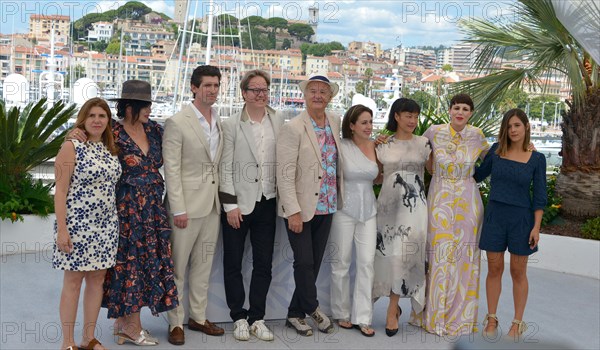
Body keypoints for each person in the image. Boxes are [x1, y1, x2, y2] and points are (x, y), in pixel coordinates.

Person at [102, 80, 178, 346]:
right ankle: (133, 327)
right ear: (128, 106)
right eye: (144, 105)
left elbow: (179, 150)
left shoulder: (155, 130)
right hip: (126, 207)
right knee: (129, 265)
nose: (149, 109)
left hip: (153, 208)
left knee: (146, 265)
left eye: (149, 104)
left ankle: (123, 324)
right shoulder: (112, 131)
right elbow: (83, 136)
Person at [412, 93, 490, 336]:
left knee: (465, 259)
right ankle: (432, 316)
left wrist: (526, 148)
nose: (460, 112)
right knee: (437, 256)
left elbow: (497, 158)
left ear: (471, 113)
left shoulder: (477, 135)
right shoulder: (434, 132)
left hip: (468, 203)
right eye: (456, 107)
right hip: (439, 200)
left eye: (466, 109)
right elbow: (413, 150)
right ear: (449, 109)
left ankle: (462, 318)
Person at [218, 70, 283, 341]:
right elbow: (225, 167)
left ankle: (257, 316)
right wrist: (230, 205)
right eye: (255, 90)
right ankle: (238, 316)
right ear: (244, 93)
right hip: (239, 204)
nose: (260, 94)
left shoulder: (278, 121)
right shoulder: (231, 124)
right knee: (233, 262)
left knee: (263, 263)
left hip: (268, 201)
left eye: (264, 89)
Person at [276, 75, 343, 336]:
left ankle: (295, 314)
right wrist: (292, 210)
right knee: (303, 262)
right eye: (313, 91)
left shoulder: (334, 122)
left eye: (323, 92)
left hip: (327, 204)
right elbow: (284, 172)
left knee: (313, 263)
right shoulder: (293, 127)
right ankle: (314, 309)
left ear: (330, 97)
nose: (318, 95)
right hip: (300, 207)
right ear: (305, 95)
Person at [163, 65, 224, 345]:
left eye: (216, 85)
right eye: (207, 85)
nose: (212, 90)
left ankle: (198, 317)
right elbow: (172, 170)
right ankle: (175, 322)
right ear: (194, 88)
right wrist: (178, 209)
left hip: (212, 206)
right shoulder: (178, 122)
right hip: (184, 208)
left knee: (203, 265)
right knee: (177, 267)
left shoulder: (218, 120)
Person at [54, 97, 121, 350]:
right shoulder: (71, 146)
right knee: (73, 282)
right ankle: (68, 342)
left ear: (107, 121)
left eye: (102, 116)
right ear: (83, 118)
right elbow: (60, 192)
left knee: (97, 280)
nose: (96, 120)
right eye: (91, 115)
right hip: (77, 226)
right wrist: (62, 230)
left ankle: (88, 338)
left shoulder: (110, 149)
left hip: (106, 227)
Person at [473, 109, 546, 339]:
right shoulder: (496, 152)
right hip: (495, 217)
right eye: (509, 126)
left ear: (526, 127)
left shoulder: (537, 158)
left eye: (517, 125)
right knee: (494, 269)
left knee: (518, 271)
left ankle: (517, 323)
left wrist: (536, 227)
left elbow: (540, 196)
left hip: (521, 221)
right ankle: (492, 318)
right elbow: (475, 176)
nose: (513, 130)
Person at [372, 98, 431, 337]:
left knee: (405, 256)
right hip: (387, 208)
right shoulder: (383, 144)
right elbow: (375, 177)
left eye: (416, 116)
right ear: (396, 116)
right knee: (387, 257)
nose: (412, 121)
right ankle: (390, 306)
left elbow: (436, 172)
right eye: (408, 115)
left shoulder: (424, 144)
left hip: (415, 210)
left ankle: (392, 308)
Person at [329, 104, 379, 337]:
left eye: (371, 122)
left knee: (367, 263)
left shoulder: (377, 147)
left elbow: (379, 178)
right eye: (364, 122)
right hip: (344, 209)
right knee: (341, 262)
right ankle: (341, 312)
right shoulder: (341, 146)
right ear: (351, 125)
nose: (369, 127)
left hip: (369, 211)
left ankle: (363, 317)